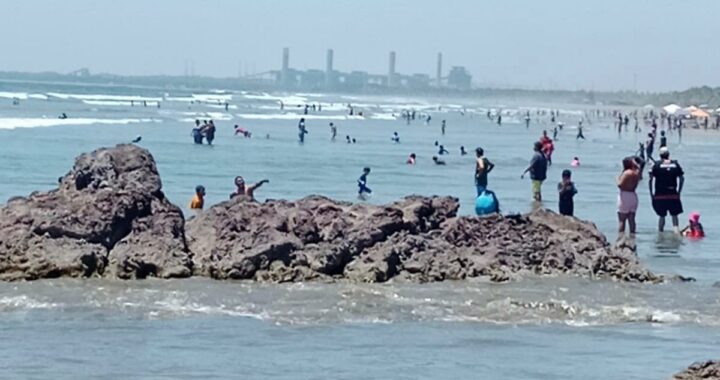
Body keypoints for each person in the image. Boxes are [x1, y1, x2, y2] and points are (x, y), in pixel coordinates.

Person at [648, 147, 684, 233]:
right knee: (675, 218)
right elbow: (682, 178)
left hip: (660, 195)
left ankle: (660, 237)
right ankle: (676, 236)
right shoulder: (675, 164)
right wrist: (679, 191)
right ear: (668, 155)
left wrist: (651, 193)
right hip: (673, 194)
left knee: (661, 217)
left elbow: (650, 180)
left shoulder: (656, 165)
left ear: (660, 155)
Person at [617, 157, 640, 235]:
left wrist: (617, 179)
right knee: (632, 220)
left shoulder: (626, 173)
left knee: (622, 220)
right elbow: (639, 168)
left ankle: (620, 238)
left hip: (625, 196)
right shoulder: (636, 173)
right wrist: (635, 164)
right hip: (633, 195)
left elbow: (620, 184)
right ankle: (632, 237)